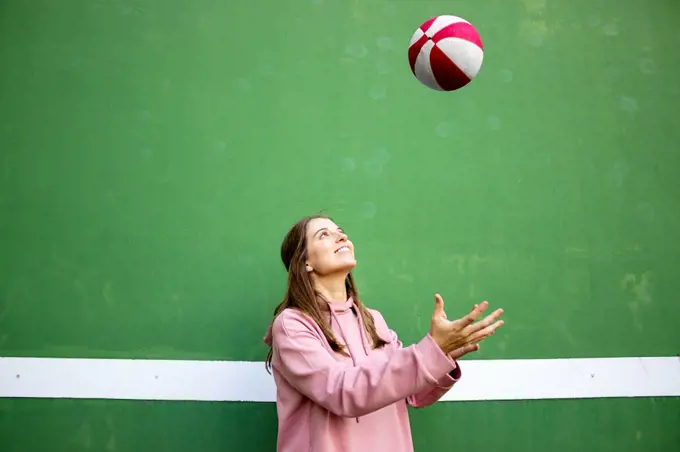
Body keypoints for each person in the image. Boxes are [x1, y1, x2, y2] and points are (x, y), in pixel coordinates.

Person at [263, 215, 504, 452]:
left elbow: (413, 394)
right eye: (324, 234)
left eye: (340, 231)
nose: (341, 236)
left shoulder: (373, 320)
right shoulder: (292, 325)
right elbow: (341, 392)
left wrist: (444, 355)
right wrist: (431, 351)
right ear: (305, 262)